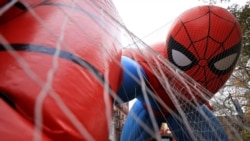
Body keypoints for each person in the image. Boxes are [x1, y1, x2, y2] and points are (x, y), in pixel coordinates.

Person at [116, 5, 242, 141]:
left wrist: (200, 101)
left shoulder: (192, 92)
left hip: (186, 109)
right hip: (150, 106)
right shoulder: (153, 61)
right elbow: (131, 63)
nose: (202, 65)